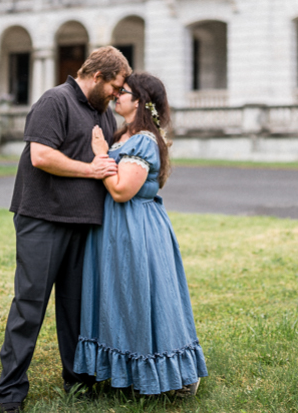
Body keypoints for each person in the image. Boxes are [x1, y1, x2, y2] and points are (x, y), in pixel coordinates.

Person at [0, 46, 131, 413]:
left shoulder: (104, 117)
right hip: (43, 218)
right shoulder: (55, 100)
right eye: (116, 86)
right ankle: (9, 394)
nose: (118, 95)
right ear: (99, 76)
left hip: (84, 224)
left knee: (76, 310)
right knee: (30, 307)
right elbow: (41, 156)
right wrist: (91, 170)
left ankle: (78, 382)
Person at [72, 72, 208, 397]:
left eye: (124, 91)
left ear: (141, 101)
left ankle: (165, 376)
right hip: (115, 230)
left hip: (136, 229)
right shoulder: (121, 136)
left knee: (138, 297)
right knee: (117, 298)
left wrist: (100, 155)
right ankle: (127, 374)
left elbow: (121, 191)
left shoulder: (144, 139)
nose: (117, 95)